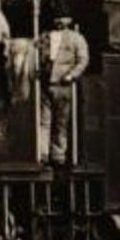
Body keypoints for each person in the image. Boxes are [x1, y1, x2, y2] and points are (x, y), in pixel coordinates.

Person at [38, 13, 90, 164]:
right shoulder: (45, 36)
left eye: (63, 17)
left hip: (63, 84)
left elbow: (83, 60)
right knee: (44, 120)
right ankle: (43, 153)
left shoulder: (76, 38)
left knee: (61, 121)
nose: (59, 20)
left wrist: (72, 75)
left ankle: (58, 155)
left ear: (70, 20)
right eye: (57, 17)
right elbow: (37, 53)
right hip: (46, 82)